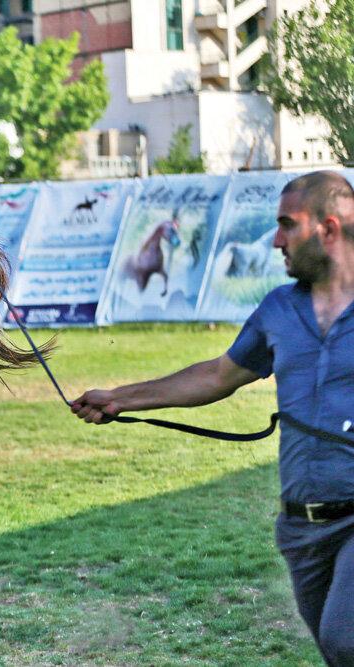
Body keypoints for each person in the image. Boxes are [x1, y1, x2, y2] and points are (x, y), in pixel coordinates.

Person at [71, 170, 354, 666]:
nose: (275, 240)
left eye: (288, 225)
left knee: (345, 641)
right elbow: (217, 376)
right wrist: (121, 398)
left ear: (328, 229)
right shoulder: (278, 311)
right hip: (302, 526)